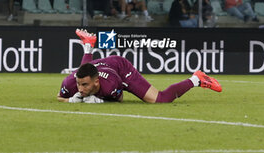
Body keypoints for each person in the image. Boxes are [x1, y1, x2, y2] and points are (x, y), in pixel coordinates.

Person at [57, 29, 222, 104]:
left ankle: (196, 79)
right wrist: (69, 100)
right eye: (79, 84)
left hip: (120, 70)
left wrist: (99, 100)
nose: (79, 88)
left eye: (84, 85)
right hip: (97, 68)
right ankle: (88, 46)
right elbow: (59, 97)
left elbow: (119, 99)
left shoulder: (110, 85)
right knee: (85, 71)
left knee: (160, 99)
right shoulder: (70, 82)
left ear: (97, 83)